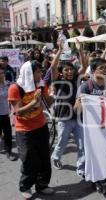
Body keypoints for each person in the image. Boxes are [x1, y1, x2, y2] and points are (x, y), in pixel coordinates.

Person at [7, 60, 54, 199]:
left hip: (41, 127)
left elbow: (47, 103)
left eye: (41, 71)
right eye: (38, 72)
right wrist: (34, 102)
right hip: (24, 131)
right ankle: (25, 186)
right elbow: (18, 111)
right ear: (29, 73)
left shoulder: (40, 85)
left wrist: (52, 96)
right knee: (29, 160)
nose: (41, 74)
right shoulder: (15, 88)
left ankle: (42, 185)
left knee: (44, 158)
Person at [74, 58, 106, 200]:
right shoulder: (86, 87)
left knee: (105, 158)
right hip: (91, 131)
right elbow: (76, 109)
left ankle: (97, 181)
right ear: (93, 71)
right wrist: (81, 102)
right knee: (100, 159)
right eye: (102, 68)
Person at [49, 39, 87, 178]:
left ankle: (81, 168)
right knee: (61, 143)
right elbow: (53, 68)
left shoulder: (77, 79)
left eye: (71, 69)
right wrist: (59, 50)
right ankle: (56, 157)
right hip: (64, 118)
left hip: (77, 117)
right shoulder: (58, 81)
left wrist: (80, 50)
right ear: (62, 71)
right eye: (66, 69)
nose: (69, 71)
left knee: (82, 145)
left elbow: (84, 65)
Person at [0, 66, 17, 161]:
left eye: (2, 73)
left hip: (7, 114)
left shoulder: (7, 84)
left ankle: (9, 152)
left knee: (8, 134)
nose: (1, 75)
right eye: (0, 73)